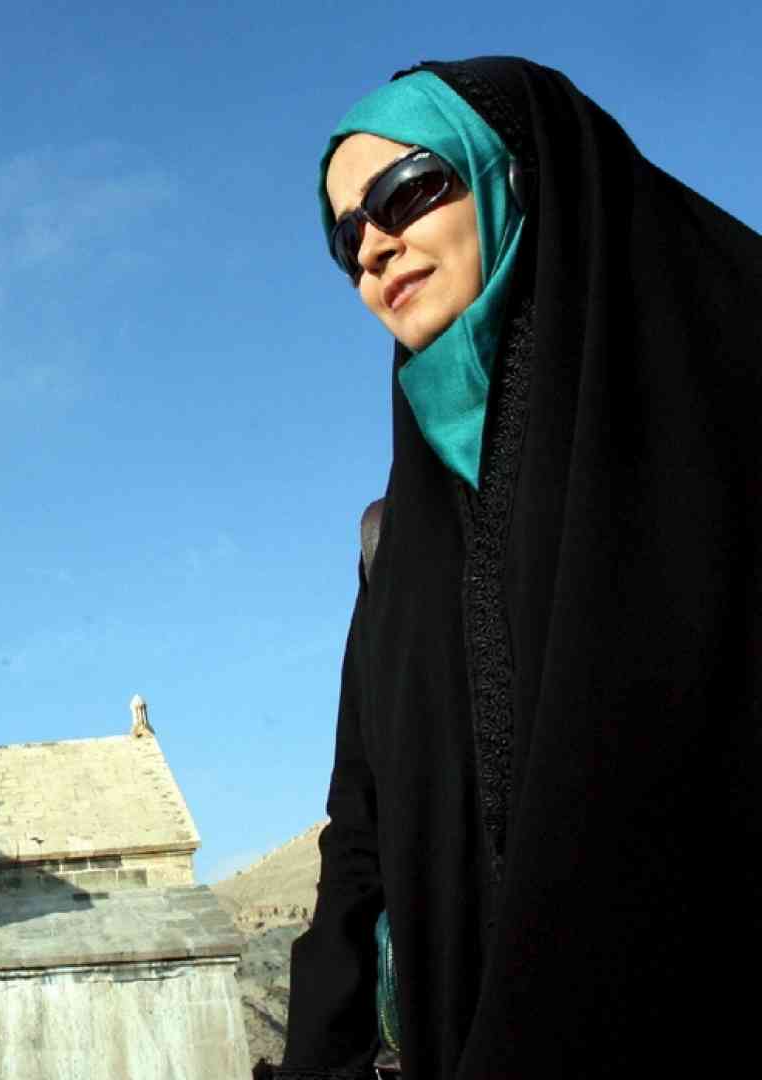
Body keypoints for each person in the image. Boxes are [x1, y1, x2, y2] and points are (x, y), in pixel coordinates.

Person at [267, 57, 762, 1079]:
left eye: (406, 192)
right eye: (344, 237)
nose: (373, 247)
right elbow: (360, 835)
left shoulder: (728, 399)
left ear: (517, 171)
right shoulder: (398, 542)